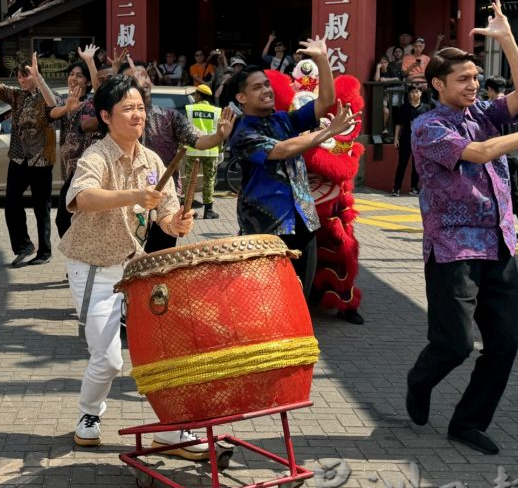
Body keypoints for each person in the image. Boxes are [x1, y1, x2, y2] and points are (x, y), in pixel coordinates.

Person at [406, 0, 518, 456]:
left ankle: (467, 422)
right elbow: (479, 154)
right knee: (454, 344)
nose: (474, 85)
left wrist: (508, 38)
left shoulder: (484, 114)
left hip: (499, 243)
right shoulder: (428, 126)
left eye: (476, 77)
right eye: (464, 79)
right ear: (438, 84)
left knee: (505, 344)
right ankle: (420, 380)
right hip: (453, 247)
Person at [60, 74, 207, 457]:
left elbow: (164, 206)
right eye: (128, 108)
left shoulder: (153, 160)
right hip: (92, 267)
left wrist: (174, 222)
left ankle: (172, 430)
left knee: (159, 349)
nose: (137, 114)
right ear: (106, 116)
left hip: (134, 269)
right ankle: (89, 415)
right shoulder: (97, 156)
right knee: (108, 359)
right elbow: (82, 197)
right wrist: (134, 195)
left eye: (141, 107)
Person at [229, 38, 358, 298]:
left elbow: (325, 102)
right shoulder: (242, 132)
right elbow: (283, 150)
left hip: (303, 221)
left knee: (301, 297)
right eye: (257, 87)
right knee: (269, 298)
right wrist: (327, 133)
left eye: (267, 84)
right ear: (241, 97)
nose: (266, 90)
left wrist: (322, 60)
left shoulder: (283, 119)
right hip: (266, 225)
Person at [126, 61, 235, 252]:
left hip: (166, 201)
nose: (142, 80)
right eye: (135, 76)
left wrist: (219, 136)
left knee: (161, 259)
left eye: (145, 75)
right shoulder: (116, 120)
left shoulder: (169, 117)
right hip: (131, 198)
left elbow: (198, 140)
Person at [0, 45, 61, 267]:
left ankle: (44, 252)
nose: (22, 80)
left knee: (41, 207)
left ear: (35, 75)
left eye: (26, 75)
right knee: (11, 203)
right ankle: (24, 245)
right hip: (18, 157)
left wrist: (40, 79)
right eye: (19, 77)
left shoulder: (46, 94)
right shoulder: (17, 96)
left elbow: (53, 105)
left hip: (41, 159)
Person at [52, 46, 101, 238]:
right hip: (70, 171)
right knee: (69, 221)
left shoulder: (92, 103)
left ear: (87, 81)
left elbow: (100, 92)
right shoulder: (65, 103)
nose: (73, 78)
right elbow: (50, 105)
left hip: (89, 170)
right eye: (71, 74)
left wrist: (89, 61)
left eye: (79, 76)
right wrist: (38, 78)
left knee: (64, 219)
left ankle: (82, 263)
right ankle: (78, 264)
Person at [485, 77, 518, 242]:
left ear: (490, 90)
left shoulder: (492, 107)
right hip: (513, 154)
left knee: (497, 192)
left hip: (498, 154)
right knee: (513, 192)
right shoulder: (516, 106)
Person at [183, 84, 222, 219]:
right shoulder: (217, 111)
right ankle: (208, 211)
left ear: (199, 95)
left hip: (193, 149)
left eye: (195, 95)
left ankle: (188, 211)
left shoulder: (189, 109)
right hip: (211, 151)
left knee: (190, 180)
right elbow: (220, 132)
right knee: (209, 179)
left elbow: (184, 130)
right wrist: (221, 149)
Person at [391, 84, 431, 196]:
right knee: (402, 163)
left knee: (417, 164)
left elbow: (429, 125)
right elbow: (399, 124)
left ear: (421, 93)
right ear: (409, 94)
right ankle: (396, 188)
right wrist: (396, 139)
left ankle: (414, 187)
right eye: (413, 92)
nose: (415, 94)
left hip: (420, 139)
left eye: (417, 91)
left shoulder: (426, 108)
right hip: (406, 137)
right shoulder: (404, 107)